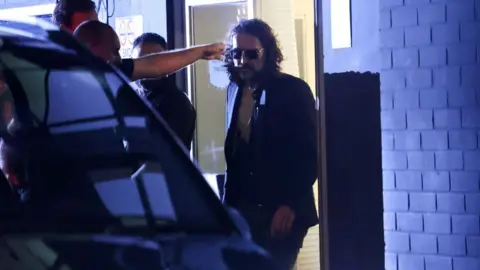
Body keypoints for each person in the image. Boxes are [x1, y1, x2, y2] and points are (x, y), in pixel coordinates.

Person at [222, 19, 318, 270]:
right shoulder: (233, 89)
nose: (243, 61)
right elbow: (235, 154)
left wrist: (290, 204)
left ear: (268, 53)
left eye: (251, 54)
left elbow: (308, 154)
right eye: (236, 53)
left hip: (283, 209)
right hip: (243, 211)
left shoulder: (293, 90)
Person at [73, 20, 223, 81]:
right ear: (91, 47)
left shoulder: (109, 71)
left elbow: (155, 66)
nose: (118, 58)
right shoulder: (60, 83)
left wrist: (203, 51)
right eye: (114, 50)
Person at [132, 33, 196, 150]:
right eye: (141, 61)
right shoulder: (134, 96)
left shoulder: (176, 103)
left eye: (153, 61)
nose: (147, 68)